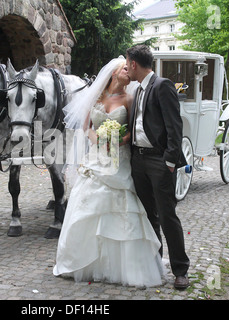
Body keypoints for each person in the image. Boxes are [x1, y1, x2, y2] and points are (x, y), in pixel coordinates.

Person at [53, 57, 165, 288]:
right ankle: (85, 261)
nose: (128, 71)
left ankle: (122, 266)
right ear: (113, 73)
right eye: (125, 68)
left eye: (129, 67)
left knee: (118, 205)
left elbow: (134, 129)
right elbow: (86, 127)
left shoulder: (130, 98)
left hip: (118, 158)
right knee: (87, 207)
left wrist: (117, 142)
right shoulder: (97, 96)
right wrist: (99, 141)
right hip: (96, 157)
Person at [126, 45, 190, 289]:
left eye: (126, 62)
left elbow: (175, 127)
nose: (126, 67)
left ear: (134, 64)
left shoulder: (162, 85)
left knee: (167, 216)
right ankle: (155, 264)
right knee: (148, 216)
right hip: (138, 160)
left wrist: (170, 161)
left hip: (158, 162)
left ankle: (181, 270)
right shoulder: (138, 89)